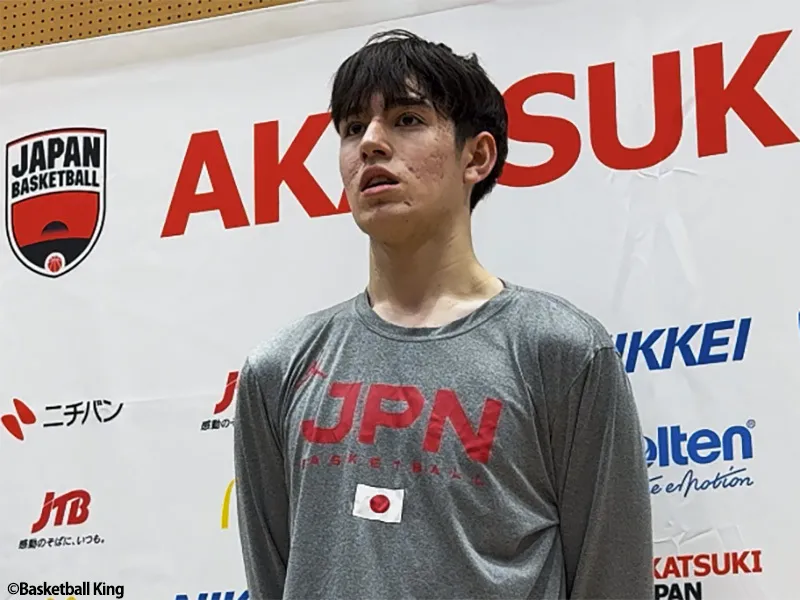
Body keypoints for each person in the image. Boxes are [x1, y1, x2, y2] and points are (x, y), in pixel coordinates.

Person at [234, 29, 653, 600]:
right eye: (353, 127)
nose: (370, 144)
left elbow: (614, 581)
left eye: (406, 119)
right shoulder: (278, 368)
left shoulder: (561, 352)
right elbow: (274, 579)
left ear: (476, 156)